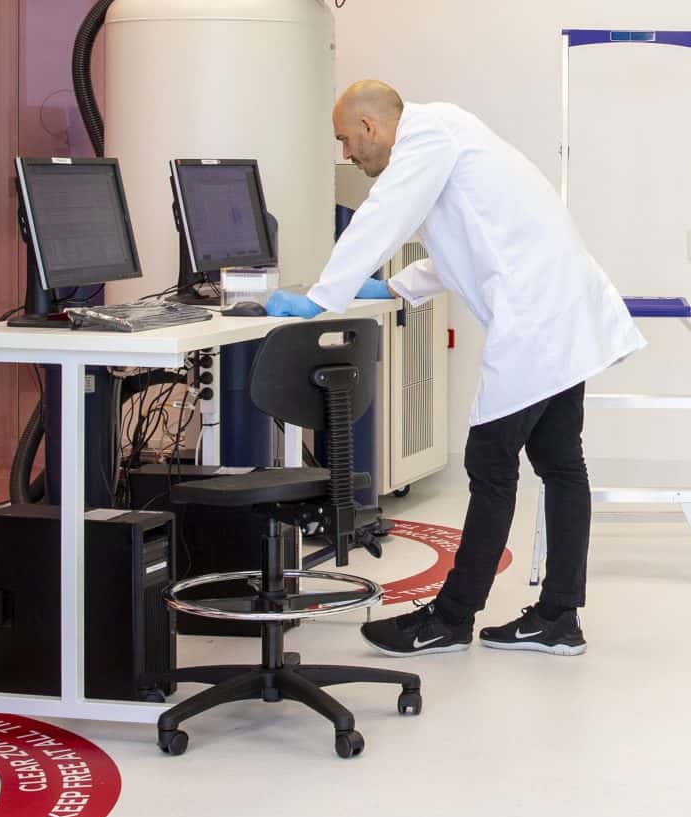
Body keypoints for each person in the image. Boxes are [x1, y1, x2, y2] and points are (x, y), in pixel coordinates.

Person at [262, 80, 643, 657]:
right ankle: (559, 618)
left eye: (345, 140)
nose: (346, 154)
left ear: (370, 126)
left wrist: (322, 297)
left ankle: (450, 618)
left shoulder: (427, 137)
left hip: (538, 317)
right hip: (561, 307)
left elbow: (383, 217)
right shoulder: (448, 133)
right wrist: (391, 285)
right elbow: (470, 238)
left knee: (491, 464)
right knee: (562, 464)